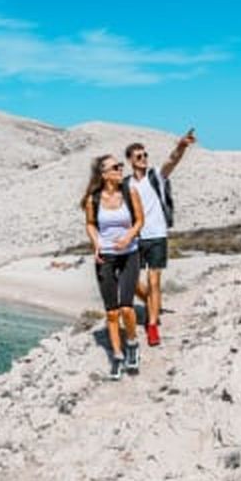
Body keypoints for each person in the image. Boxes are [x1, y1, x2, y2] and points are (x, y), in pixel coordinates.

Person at [125, 130, 196, 346]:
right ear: (130, 160)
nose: (144, 158)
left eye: (145, 154)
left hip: (157, 235)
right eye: (139, 156)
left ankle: (153, 325)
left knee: (154, 280)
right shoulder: (126, 184)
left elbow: (172, 160)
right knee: (130, 282)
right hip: (135, 238)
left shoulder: (157, 176)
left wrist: (182, 146)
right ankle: (151, 302)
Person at [81, 154, 145, 380]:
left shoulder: (130, 193)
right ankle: (117, 356)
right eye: (115, 167)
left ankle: (132, 343)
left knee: (127, 308)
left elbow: (139, 220)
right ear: (104, 174)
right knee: (111, 312)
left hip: (129, 254)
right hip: (105, 257)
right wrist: (96, 243)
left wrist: (128, 236)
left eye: (120, 166)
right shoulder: (93, 199)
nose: (121, 169)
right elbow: (90, 224)